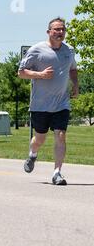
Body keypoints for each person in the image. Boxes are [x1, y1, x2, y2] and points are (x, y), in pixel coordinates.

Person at [19, 17, 79, 186]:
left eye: (63, 29)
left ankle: (57, 173)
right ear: (49, 32)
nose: (60, 32)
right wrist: (40, 75)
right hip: (40, 104)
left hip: (61, 103)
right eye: (57, 29)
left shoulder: (69, 51)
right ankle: (32, 154)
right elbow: (21, 72)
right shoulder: (37, 50)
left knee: (61, 136)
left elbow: (73, 69)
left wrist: (75, 85)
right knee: (40, 138)